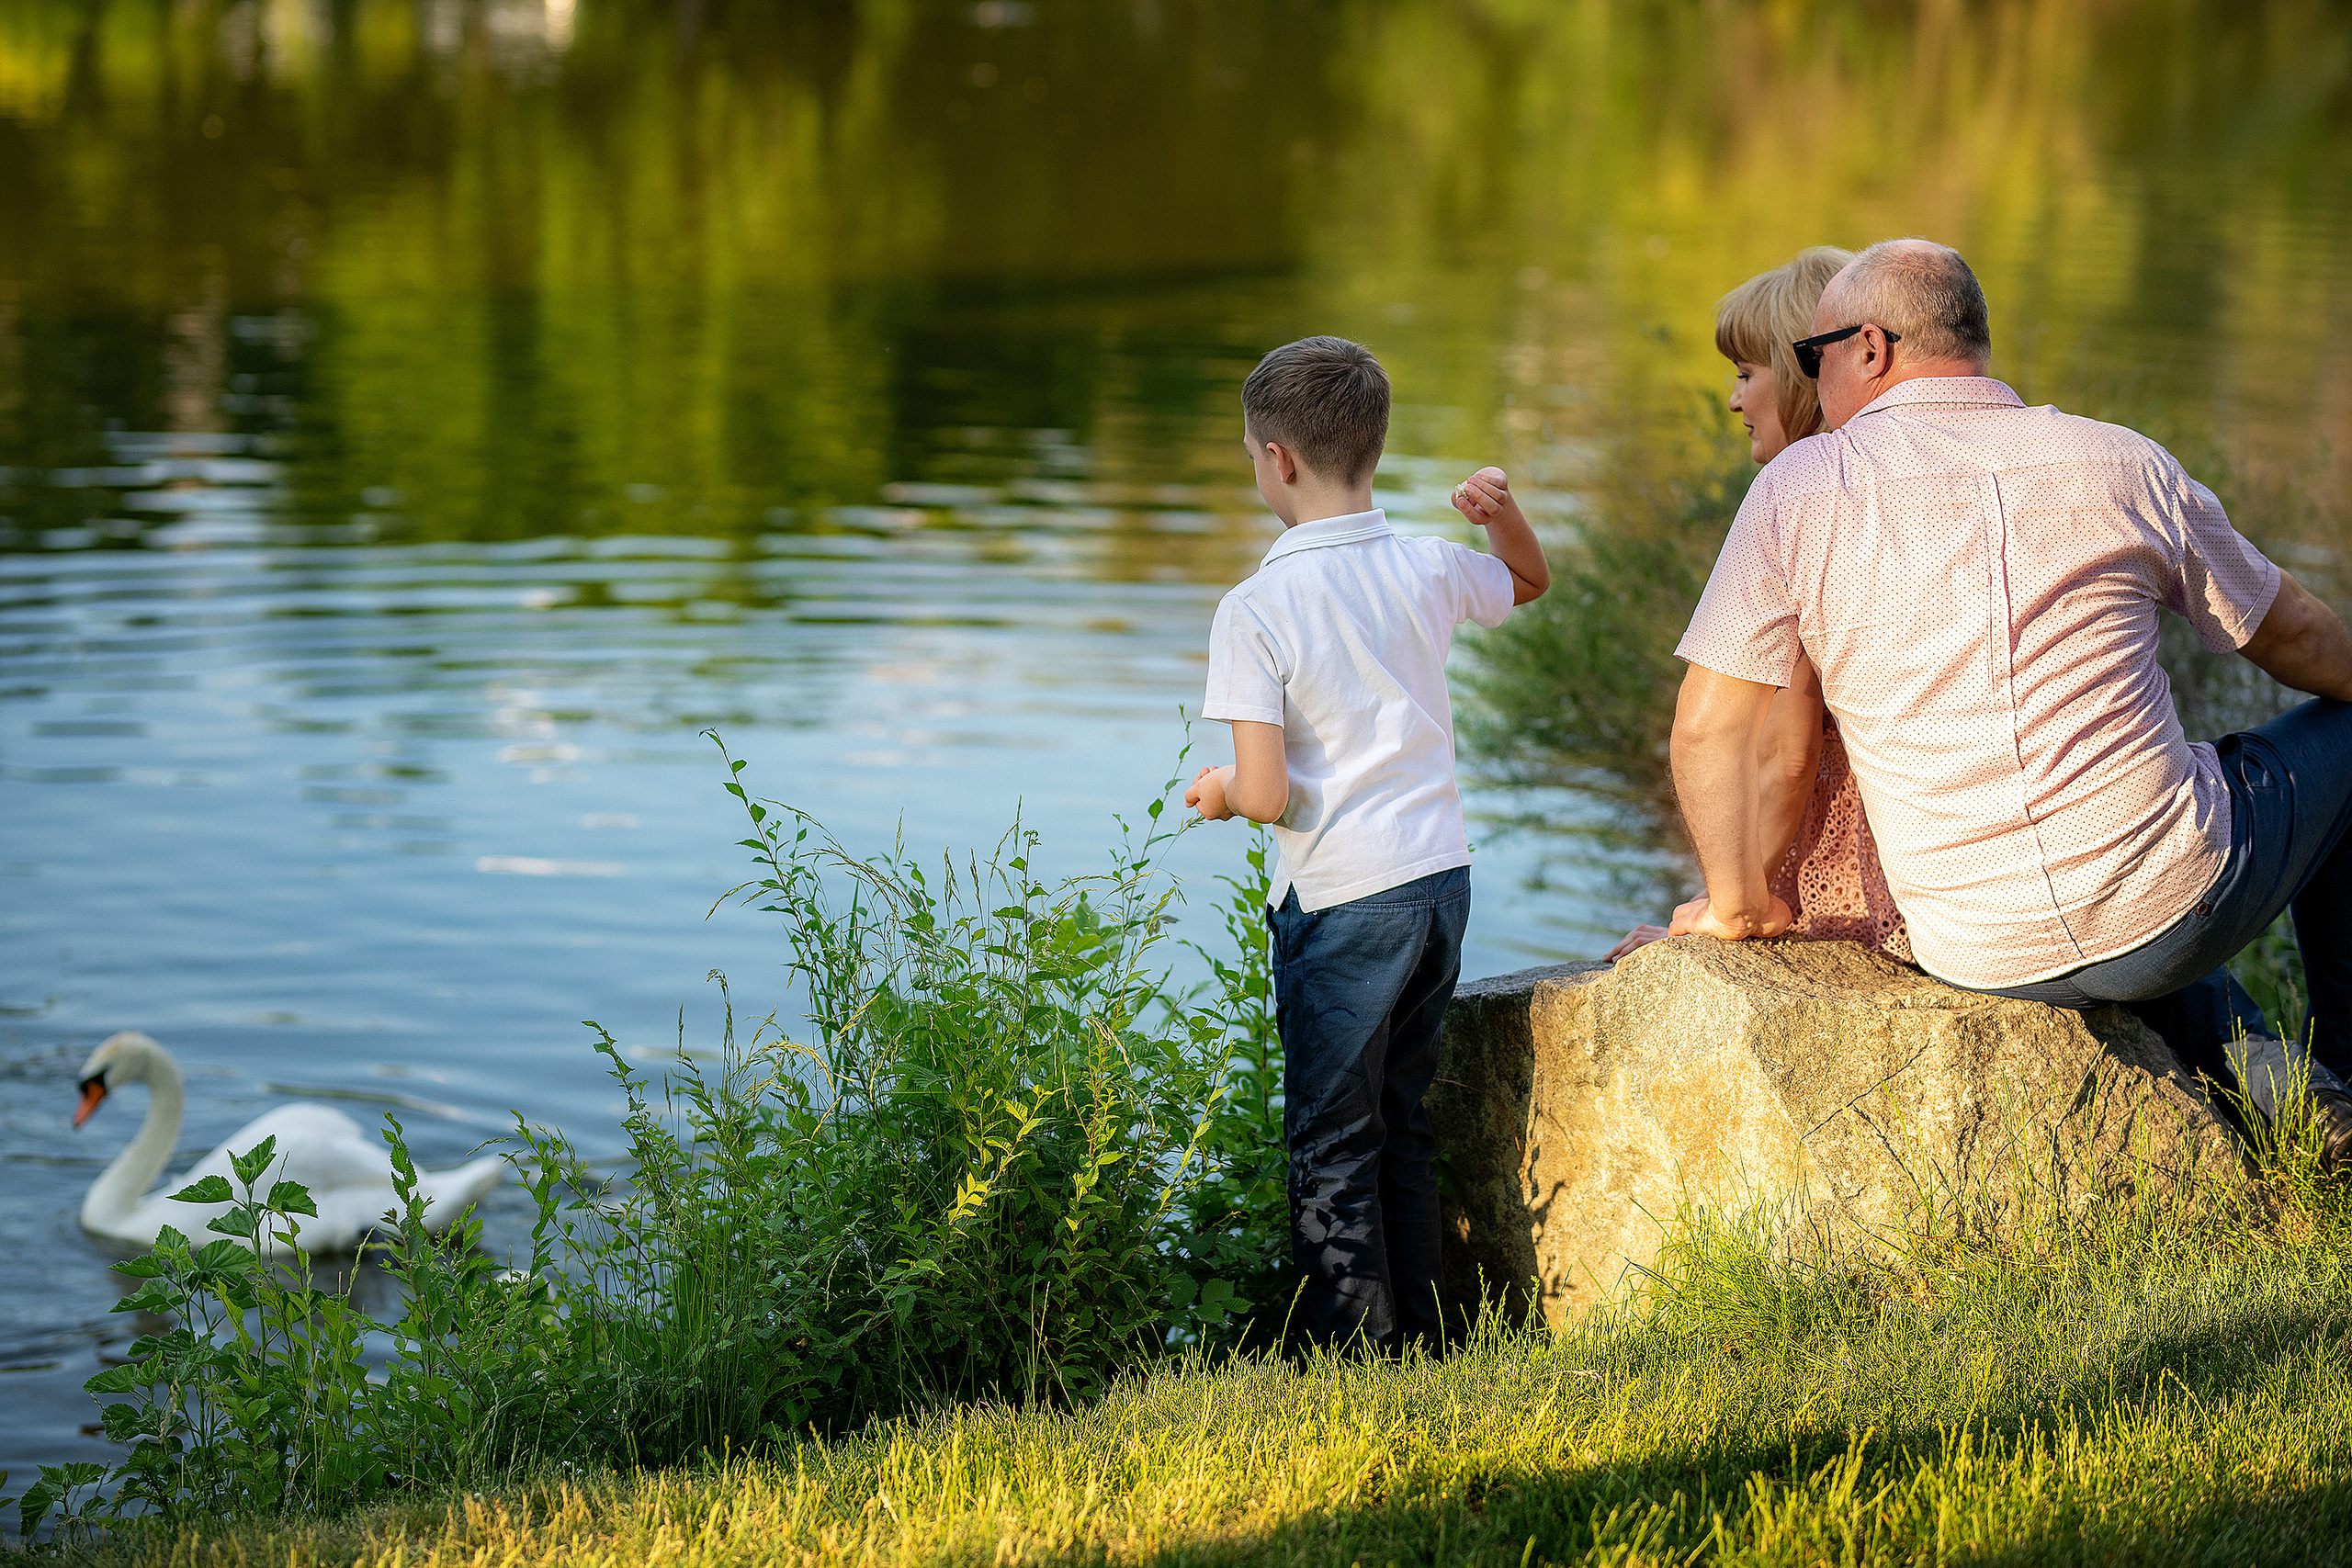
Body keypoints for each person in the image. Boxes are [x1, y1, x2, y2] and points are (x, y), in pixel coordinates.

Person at [1668, 236, 2352, 1156]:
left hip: (1973, 951)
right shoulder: (2119, 462)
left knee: (2135, 845)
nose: (1804, 377)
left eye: (1809, 355)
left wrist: (1734, 904)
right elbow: (2299, 640)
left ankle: (2295, 1093)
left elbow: (1708, 727)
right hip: (2170, 912)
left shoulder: (1797, 491)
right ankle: (2327, 1077)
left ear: (1868, 349)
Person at [1186, 335, 1549, 1353]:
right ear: (1373, 447)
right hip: (1439, 883)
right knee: (1401, 1121)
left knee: (1329, 1140)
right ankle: (1423, 1341)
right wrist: (1501, 514)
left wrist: (1218, 794)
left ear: (1275, 460)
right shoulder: (1429, 566)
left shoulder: (1256, 608)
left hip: (1344, 900)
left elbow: (1265, 792)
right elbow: (1526, 583)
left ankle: (1352, 1359)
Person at [1607, 246, 1913, 965]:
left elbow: (1788, 748)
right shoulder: (1883, 492)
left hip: (1844, 882)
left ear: (1805, 379)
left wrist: (1731, 903)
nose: (1735, 399)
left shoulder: (1809, 508)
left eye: (1747, 374)